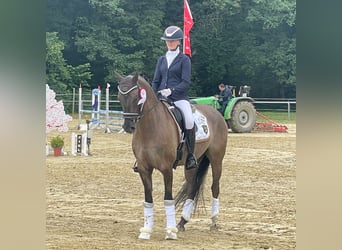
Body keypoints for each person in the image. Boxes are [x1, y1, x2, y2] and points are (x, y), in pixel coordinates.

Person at [152, 25, 197, 170]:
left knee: (189, 120)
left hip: (179, 98)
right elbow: (155, 80)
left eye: (172, 41)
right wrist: (154, 94)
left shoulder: (184, 60)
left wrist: (171, 91)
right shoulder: (161, 59)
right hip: (161, 98)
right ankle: (144, 155)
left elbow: (185, 82)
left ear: (179, 41)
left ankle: (190, 156)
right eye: (167, 41)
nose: (169, 43)